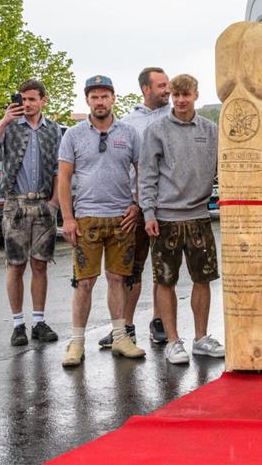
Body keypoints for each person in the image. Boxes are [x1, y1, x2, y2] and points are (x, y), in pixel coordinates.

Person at [58, 75, 146, 368]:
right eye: (94, 96)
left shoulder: (130, 133)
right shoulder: (73, 135)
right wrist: (68, 218)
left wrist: (137, 205)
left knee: (118, 278)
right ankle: (77, 342)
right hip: (87, 218)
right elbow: (65, 177)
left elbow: (141, 172)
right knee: (84, 282)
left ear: (113, 98)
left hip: (122, 217)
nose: (99, 101)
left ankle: (121, 337)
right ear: (87, 100)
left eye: (104, 95)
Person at [139, 74, 224, 365]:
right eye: (176, 95)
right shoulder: (157, 130)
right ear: (172, 96)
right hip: (166, 219)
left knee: (203, 279)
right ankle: (174, 341)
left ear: (196, 95)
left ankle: (201, 338)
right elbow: (147, 174)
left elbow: (221, 169)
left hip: (200, 216)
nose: (181, 100)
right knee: (166, 281)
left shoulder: (211, 130)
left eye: (186, 95)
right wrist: (148, 212)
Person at [0, 79, 62, 347]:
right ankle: (18, 324)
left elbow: (58, 171)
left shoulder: (53, 130)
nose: (26, 104)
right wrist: (4, 120)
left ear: (43, 101)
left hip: (42, 204)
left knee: (40, 264)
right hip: (15, 203)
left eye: (32, 99)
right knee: (16, 264)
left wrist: (54, 203)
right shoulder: (11, 126)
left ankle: (38, 321)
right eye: (23, 99)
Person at [98, 67, 171, 351]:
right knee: (132, 269)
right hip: (137, 207)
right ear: (146, 89)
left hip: (168, 205)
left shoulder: (175, 116)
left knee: (164, 269)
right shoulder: (129, 124)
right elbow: (125, 168)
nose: (167, 90)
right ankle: (126, 328)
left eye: (168, 85)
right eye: (162, 85)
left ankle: (160, 322)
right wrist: (131, 203)